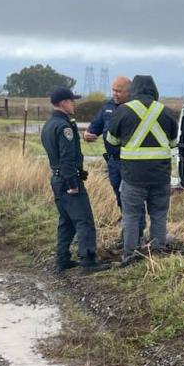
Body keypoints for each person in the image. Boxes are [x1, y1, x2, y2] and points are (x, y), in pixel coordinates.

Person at [106, 75, 178, 266]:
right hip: (160, 176)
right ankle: (158, 252)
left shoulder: (122, 111)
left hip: (132, 176)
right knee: (159, 214)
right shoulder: (167, 112)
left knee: (131, 215)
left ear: (133, 90)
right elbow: (173, 143)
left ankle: (129, 256)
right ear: (155, 90)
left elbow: (111, 141)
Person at [41, 87, 110, 275]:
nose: (74, 104)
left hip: (56, 179)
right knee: (84, 220)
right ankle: (88, 260)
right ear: (63, 103)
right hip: (67, 181)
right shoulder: (64, 127)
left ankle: (62, 259)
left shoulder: (49, 125)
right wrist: (72, 183)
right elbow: (67, 158)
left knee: (67, 221)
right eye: (72, 101)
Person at [83, 76, 146, 240]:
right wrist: (87, 134)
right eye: (113, 90)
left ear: (129, 91)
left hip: (131, 163)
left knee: (132, 198)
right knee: (120, 198)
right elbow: (94, 128)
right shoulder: (107, 107)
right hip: (113, 162)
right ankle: (128, 230)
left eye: (119, 91)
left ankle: (135, 235)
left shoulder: (136, 108)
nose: (115, 94)